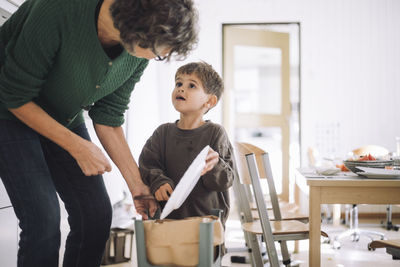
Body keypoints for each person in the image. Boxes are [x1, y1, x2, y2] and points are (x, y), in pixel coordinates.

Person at [0, 0, 198, 266]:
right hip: (9, 111)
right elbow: (14, 94)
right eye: (158, 53)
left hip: (63, 115)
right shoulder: (58, 9)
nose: (153, 59)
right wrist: (78, 146)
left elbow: (109, 116)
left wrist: (138, 186)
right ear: (136, 29)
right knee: (43, 218)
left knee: (95, 216)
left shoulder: (137, 52)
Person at [139, 62, 235, 225]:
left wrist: (215, 165)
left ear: (210, 101)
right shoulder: (162, 133)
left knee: (204, 252)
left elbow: (225, 180)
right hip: (167, 222)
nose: (181, 88)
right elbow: (147, 166)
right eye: (178, 83)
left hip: (206, 223)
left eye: (191, 85)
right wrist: (159, 182)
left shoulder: (215, 133)